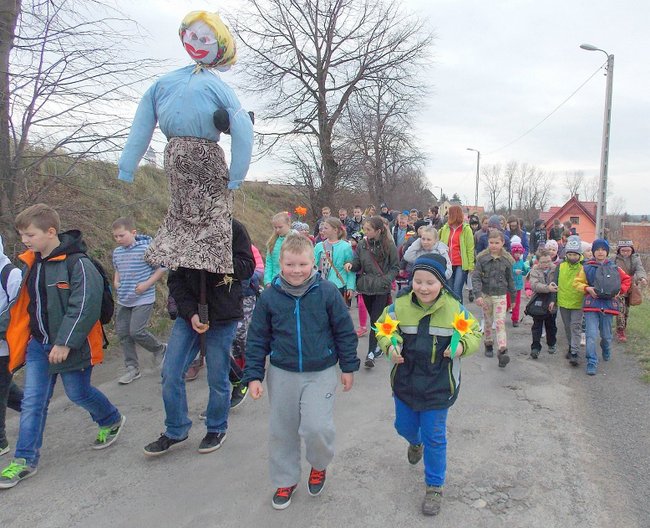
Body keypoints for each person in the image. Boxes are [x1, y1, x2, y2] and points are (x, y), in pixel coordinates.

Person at [118, 11, 253, 275]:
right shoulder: (166, 83)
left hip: (199, 155)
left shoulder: (215, 87)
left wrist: (238, 173)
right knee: (186, 209)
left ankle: (200, 261)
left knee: (204, 211)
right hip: (183, 154)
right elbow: (143, 122)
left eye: (204, 39)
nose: (197, 43)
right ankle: (191, 260)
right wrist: (127, 165)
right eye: (192, 37)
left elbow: (241, 125)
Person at [0, 204, 125, 489]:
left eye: (30, 234)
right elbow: (21, 306)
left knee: (78, 393)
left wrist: (65, 342)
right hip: (38, 347)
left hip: (73, 346)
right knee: (33, 402)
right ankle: (24, 460)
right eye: (22, 235)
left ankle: (111, 419)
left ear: (51, 232)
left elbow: (84, 306)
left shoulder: (77, 263)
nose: (25, 240)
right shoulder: (31, 264)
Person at [242, 234, 359, 510]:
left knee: (317, 426)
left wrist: (348, 366)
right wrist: (254, 375)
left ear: (313, 263)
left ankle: (318, 464)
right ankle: (285, 478)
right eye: (290, 264)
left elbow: (343, 330)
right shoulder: (270, 297)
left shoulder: (327, 291)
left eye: (302, 264)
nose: (296, 270)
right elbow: (257, 337)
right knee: (282, 430)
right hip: (282, 372)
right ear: (280, 263)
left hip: (321, 371)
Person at [376, 253, 481, 516]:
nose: (423, 287)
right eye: (418, 281)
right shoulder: (398, 307)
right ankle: (415, 442)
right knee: (404, 426)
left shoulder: (454, 310)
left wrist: (462, 348)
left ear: (442, 284)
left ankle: (434, 486)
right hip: (405, 382)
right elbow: (383, 329)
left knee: (436, 436)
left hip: (439, 384)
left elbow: (473, 332)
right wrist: (390, 346)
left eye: (430, 282)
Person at [143, 219, 255, 456]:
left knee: (217, 376)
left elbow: (247, 267)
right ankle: (176, 429)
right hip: (190, 316)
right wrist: (191, 313)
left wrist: (214, 258)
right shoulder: (184, 229)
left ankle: (216, 428)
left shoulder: (233, 228)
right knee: (171, 372)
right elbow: (176, 280)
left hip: (223, 315)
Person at [111, 217, 167, 385]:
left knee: (136, 331)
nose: (118, 239)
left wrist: (146, 284)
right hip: (124, 298)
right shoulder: (117, 252)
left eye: (122, 235)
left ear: (133, 232)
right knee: (123, 334)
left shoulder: (147, 249)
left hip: (143, 297)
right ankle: (132, 368)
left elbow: (161, 269)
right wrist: (116, 280)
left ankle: (159, 349)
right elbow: (117, 269)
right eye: (115, 237)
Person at [345, 216, 399, 368]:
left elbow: (395, 267)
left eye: (368, 229)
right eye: (364, 229)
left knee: (375, 321)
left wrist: (386, 280)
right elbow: (357, 264)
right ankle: (379, 345)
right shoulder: (362, 244)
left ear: (378, 230)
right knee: (376, 320)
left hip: (381, 288)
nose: (365, 231)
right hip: (365, 287)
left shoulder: (389, 245)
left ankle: (370, 354)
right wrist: (350, 265)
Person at [573, 239, 631, 376]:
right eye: (597, 249)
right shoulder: (586, 267)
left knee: (606, 335)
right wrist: (587, 288)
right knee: (591, 335)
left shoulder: (615, 267)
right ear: (593, 252)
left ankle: (606, 348)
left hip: (608, 305)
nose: (600, 252)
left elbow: (627, 279)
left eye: (603, 249)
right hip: (591, 305)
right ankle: (591, 361)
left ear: (607, 252)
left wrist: (619, 291)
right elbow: (576, 283)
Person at [472, 229, 515, 368]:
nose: (494, 245)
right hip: (486, 295)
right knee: (488, 321)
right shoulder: (482, 259)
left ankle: (502, 350)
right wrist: (478, 294)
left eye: (497, 242)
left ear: (502, 243)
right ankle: (489, 343)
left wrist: (513, 298)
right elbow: (476, 277)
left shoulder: (507, 260)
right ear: (487, 243)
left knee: (500, 322)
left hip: (501, 295)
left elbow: (510, 279)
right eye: (491, 242)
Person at [0, 235, 23, 457]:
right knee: (6, 389)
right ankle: (32, 410)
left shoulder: (11, 274)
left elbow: (19, 311)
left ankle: (0, 441)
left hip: (4, 347)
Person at [555, 236, 585, 366]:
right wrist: (553, 300)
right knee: (567, 327)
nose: (572, 257)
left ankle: (575, 352)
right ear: (566, 254)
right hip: (563, 301)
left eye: (575, 254)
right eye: (570, 254)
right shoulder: (560, 267)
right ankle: (570, 345)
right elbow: (554, 283)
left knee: (576, 326)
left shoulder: (585, 267)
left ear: (580, 255)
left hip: (578, 302)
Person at [438, 205, 475, 302]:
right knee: (449, 290)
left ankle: (459, 313)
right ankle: (452, 313)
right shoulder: (445, 228)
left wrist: (471, 265)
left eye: (450, 213)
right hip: (448, 263)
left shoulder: (466, 229)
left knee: (457, 290)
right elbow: (440, 242)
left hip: (460, 264)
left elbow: (470, 248)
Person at [314, 218, 356, 298]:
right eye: (323, 228)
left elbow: (350, 268)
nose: (323, 230)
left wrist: (350, 287)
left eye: (326, 228)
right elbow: (313, 266)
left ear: (335, 230)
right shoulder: (319, 246)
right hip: (322, 285)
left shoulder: (345, 247)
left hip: (339, 285)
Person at [614, 240, 647, 342]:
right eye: (623, 250)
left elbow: (639, 269)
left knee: (626, 311)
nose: (625, 253)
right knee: (620, 309)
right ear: (619, 250)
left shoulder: (635, 259)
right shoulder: (614, 259)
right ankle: (620, 331)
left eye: (628, 250)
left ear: (632, 250)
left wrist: (642, 278)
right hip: (618, 288)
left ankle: (623, 327)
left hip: (630, 287)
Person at [528, 250, 558, 359]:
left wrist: (553, 299)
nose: (546, 264)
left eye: (548, 261)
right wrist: (547, 288)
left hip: (552, 299)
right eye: (543, 262)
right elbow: (534, 285)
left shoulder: (555, 269)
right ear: (537, 261)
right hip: (539, 300)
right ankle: (535, 347)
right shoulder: (534, 271)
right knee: (537, 325)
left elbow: (558, 284)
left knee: (551, 325)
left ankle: (551, 343)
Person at [264, 212, 293, 287]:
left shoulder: (295, 240)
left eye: (280, 227)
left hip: (290, 282)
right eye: (275, 227)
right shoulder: (272, 242)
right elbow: (269, 262)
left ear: (288, 224)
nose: (277, 230)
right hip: (274, 281)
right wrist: (268, 281)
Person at [509, 243, 529, 327]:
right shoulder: (509, 261)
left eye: (519, 253)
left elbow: (524, 272)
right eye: (516, 252)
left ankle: (515, 319)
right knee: (508, 302)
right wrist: (514, 271)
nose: (518, 254)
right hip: (509, 285)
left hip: (518, 286)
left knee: (516, 303)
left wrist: (527, 270)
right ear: (512, 252)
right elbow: (507, 271)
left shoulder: (521, 261)